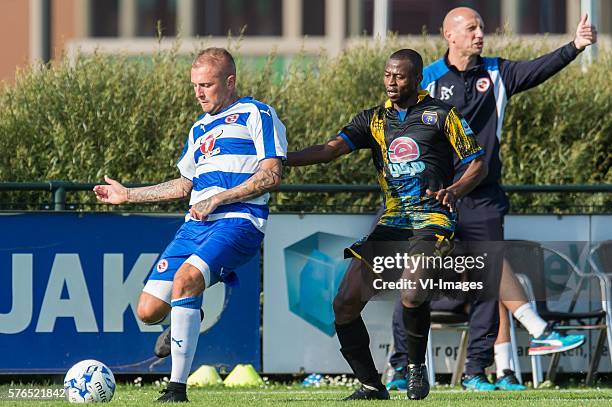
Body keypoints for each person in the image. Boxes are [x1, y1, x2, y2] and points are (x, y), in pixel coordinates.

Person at [387, 7, 596, 392]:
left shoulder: (497, 72)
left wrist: (576, 46)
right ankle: (401, 366)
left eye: (481, 27)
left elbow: (538, 68)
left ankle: (475, 372)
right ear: (449, 35)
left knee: (488, 281)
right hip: (433, 199)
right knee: (413, 280)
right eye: (471, 28)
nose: (480, 33)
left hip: (482, 197)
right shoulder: (427, 79)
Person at [287, 48, 488, 400]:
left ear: (417, 79)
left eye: (399, 77)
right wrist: (279, 161)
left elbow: (477, 163)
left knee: (411, 292)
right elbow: (329, 150)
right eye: (387, 75)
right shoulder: (373, 120)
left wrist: (455, 190)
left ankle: (414, 367)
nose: (391, 83)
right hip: (393, 220)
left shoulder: (442, 115)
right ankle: (370, 385)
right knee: (344, 303)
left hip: (432, 219)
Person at [93, 47, 287, 402]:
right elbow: (184, 185)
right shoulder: (198, 128)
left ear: (229, 82)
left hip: (239, 221)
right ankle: (187, 313)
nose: (199, 93)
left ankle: (176, 389)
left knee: (185, 280)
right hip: (195, 226)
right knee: (149, 311)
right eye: (195, 85)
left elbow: (272, 175)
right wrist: (128, 195)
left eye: (207, 85)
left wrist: (220, 198)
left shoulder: (256, 114)